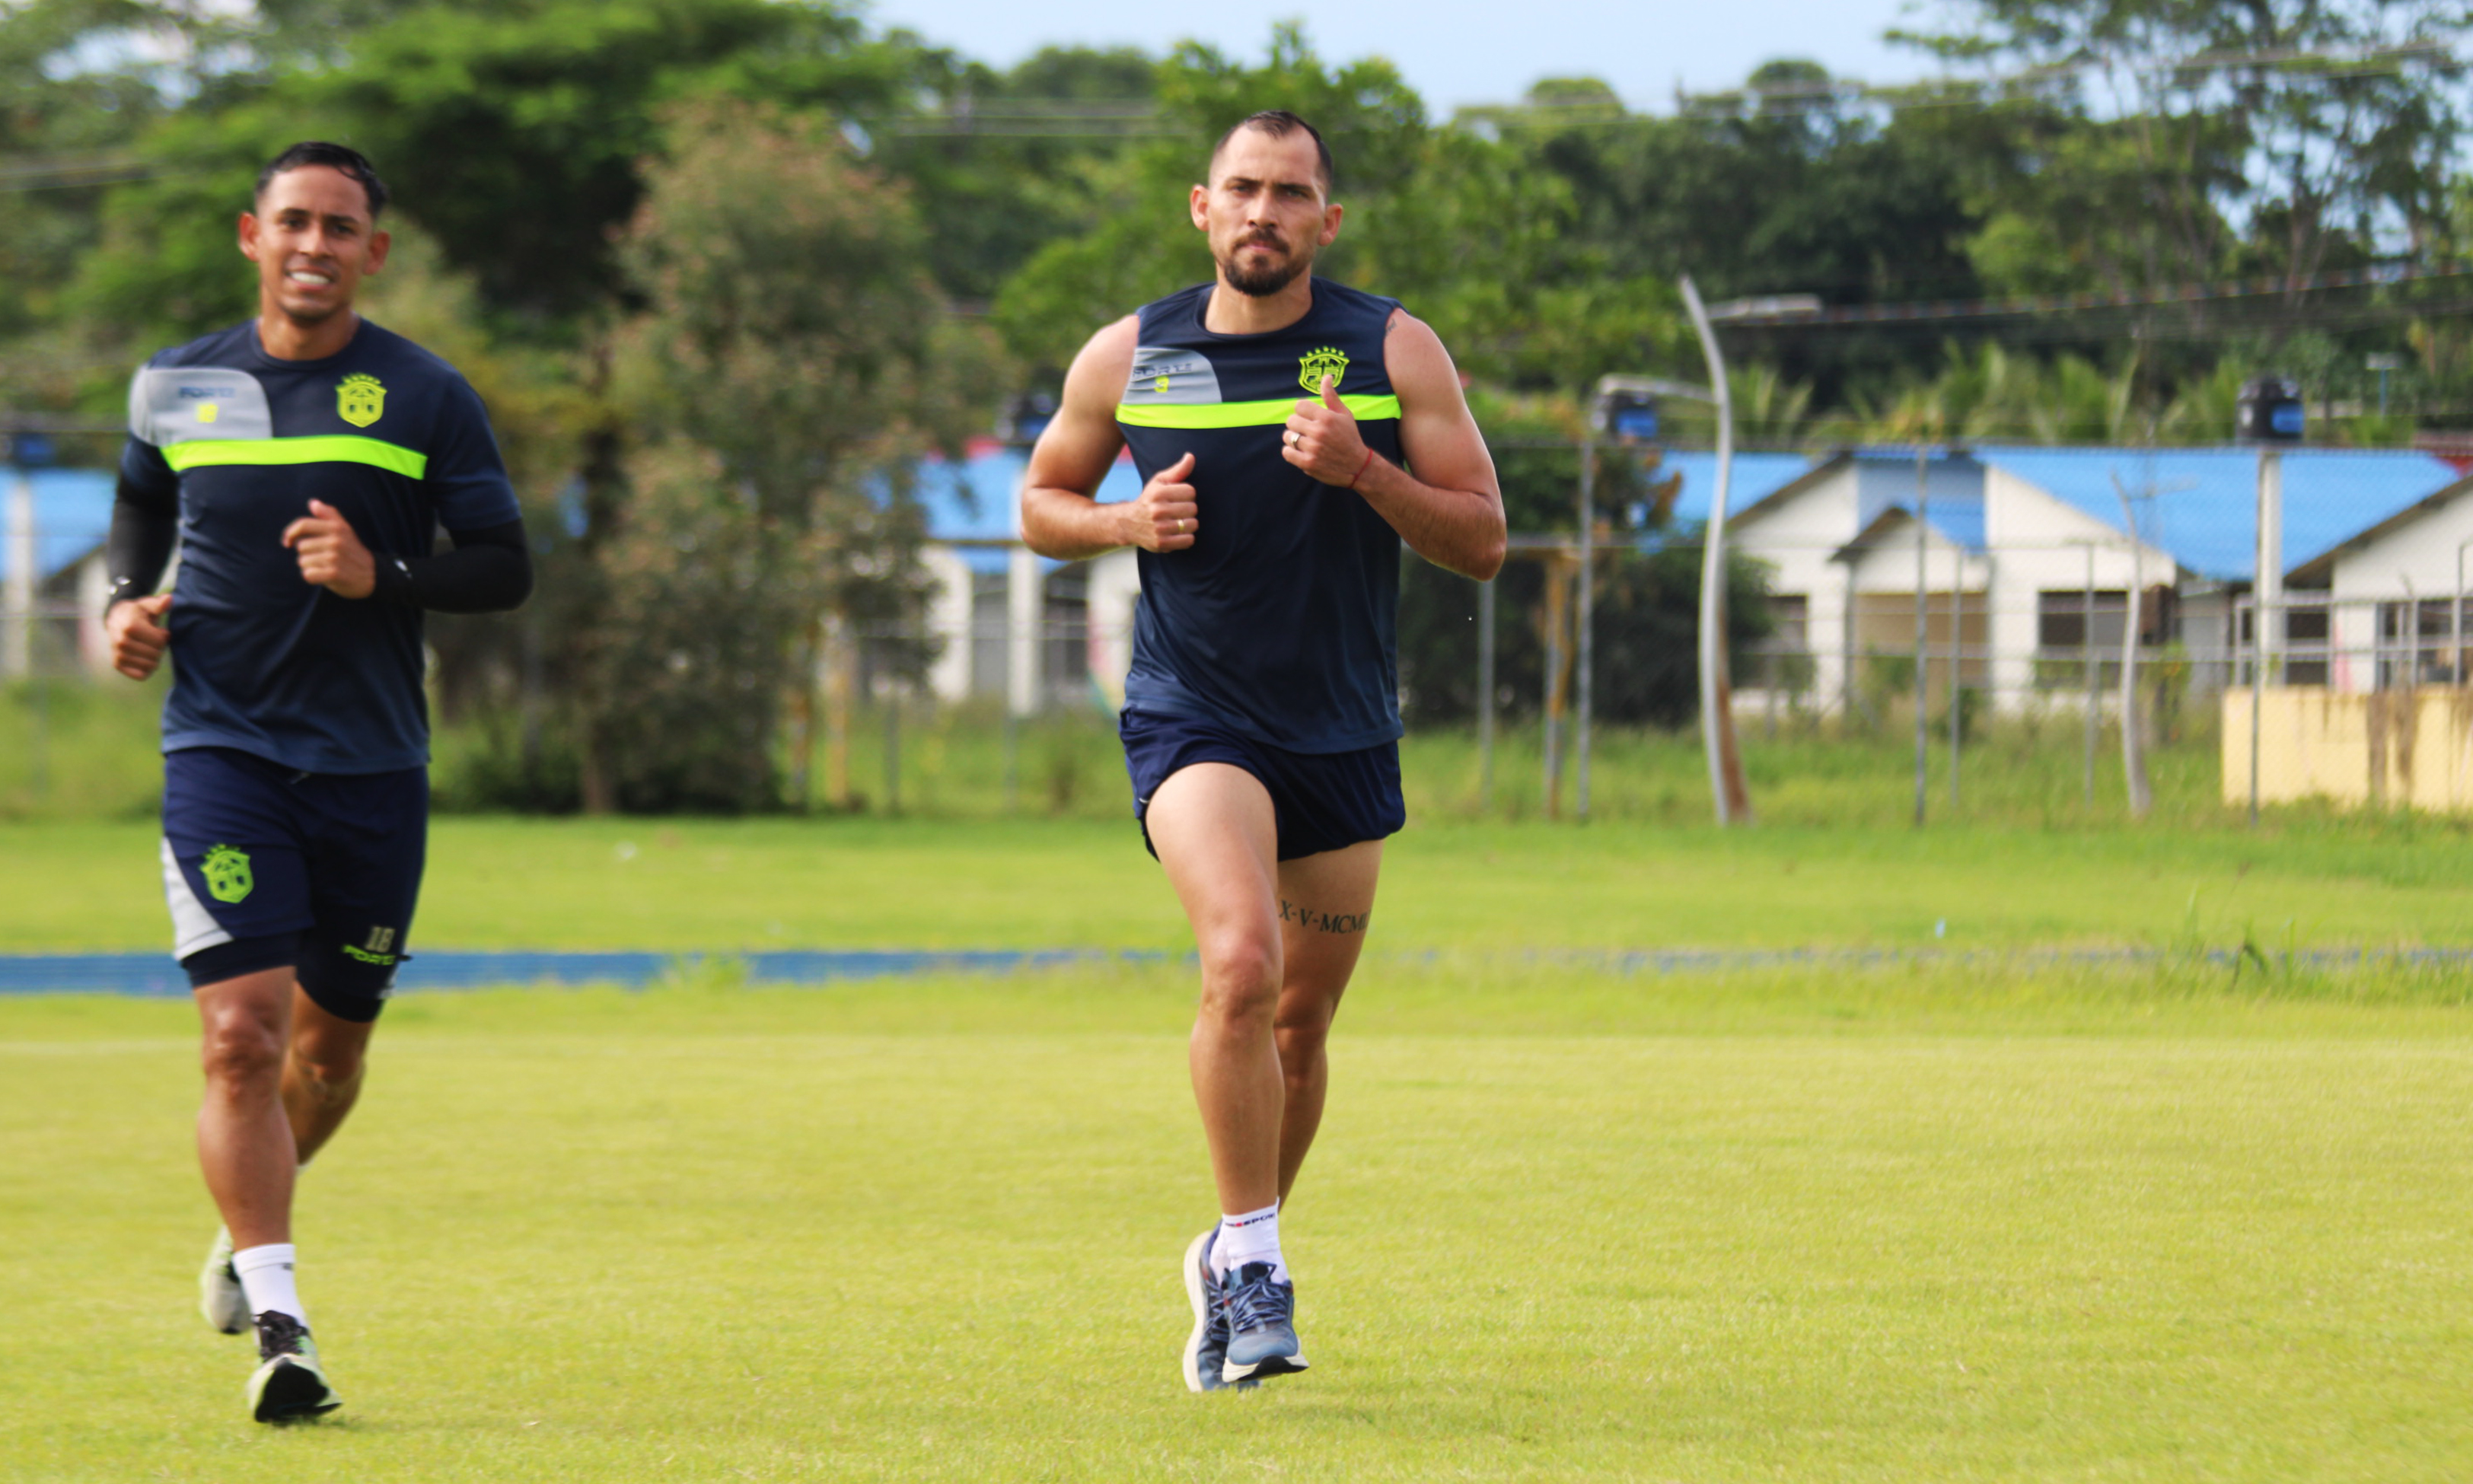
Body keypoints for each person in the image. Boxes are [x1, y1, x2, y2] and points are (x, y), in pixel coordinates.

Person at [1021, 110, 1506, 1391]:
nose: (1263, 213)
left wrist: (1365, 474)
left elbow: (1483, 538)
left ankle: (1234, 1243)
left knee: (1299, 1026)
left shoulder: (1390, 349)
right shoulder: (1134, 350)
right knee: (1242, 962)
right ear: (1200, 205)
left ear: (1325, 223)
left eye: (1291, 195)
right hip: (1196, 718)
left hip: (1342, 727)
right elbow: (1039, 503)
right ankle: (1256, 1268)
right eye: (1242, 188)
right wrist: (1123, 519)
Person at [104, 141, 533, 1423]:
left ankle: (246, 1230)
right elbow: (139, 508)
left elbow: (503, 565)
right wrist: (129, 605)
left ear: (372, 252)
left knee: (327, 1059)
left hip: (374, 768)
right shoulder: (174, 383)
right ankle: (284, 1325)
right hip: (222, 753)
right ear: (251, 234)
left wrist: (379, 576)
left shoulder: (422, 394)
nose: (314, 245)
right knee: (241, 1038)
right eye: (292, 222)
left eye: (339, 228)